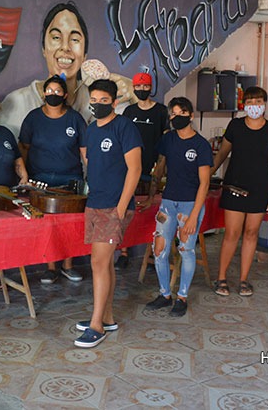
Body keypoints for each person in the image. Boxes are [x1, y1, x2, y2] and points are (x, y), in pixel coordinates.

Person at [0, 2, 134, 137]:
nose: (65, 47)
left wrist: (134, 94)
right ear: (43, 48)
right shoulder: (19, 102)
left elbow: (134, 136)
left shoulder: (101, 101)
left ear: (85, 53)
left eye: (74, 39)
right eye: (56, 37)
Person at [74, 79, 142, 348]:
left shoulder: (124, 127)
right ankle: (108, 316)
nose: (98, 104)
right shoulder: (91, 129)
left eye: (104, 100)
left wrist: (121, 208)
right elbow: (91, 161)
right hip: (95, 203)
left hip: (114, 206)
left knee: (98, 263)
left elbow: (134, 169)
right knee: (104, 263)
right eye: (95, 100)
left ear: (115, 102)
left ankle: (95, 325)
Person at [211, 87, 268, 297]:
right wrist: (208, 174)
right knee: (232, 233)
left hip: (261, 189)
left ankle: (244, 279)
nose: (254, 106)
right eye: (250, 102)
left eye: (258, 101)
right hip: (234, 186)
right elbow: (222, 154)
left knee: (251, 233)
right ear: (244, 105)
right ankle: (222, 278)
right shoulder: (235, 125)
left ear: (265, 104)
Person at [144, 97, 212, 318]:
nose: (176, 117)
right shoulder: (168, 139)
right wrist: (152, 194)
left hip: (189, 205)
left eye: (181, 113)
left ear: (191, 116)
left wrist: (193, 217)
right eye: (172, 114)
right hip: (168, 203)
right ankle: (165, 294)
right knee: (159, 250)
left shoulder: (201, 145)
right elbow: (160, 167)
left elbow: (205, 183)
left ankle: (182, 297)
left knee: (186, 250)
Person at [18, 75, 87, 284]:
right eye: (50, 90)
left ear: (65, 95)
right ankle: (51, 267)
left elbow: (85, 152)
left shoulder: (75, 119)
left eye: (58, 91)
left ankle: (68, 265)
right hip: (41, 180)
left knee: (69, 225)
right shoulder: (33, 118)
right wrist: (24, 177)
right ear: (43, 93)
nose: (53, 94)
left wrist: (92, 176)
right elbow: (23, 148)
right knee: (47, 225)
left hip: (70, 179)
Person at [114, 72, 169, 268]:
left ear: (151, 88)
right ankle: (124, 252)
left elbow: (166, 142)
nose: (142, 90)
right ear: (134, 88)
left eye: (146, 87)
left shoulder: (161, 111)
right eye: (138, 87)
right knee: (128, 210)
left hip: (152, 167)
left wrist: (160, 168)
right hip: (130, 169)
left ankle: (154, 251)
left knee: (153, 212)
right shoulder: (129, 112)